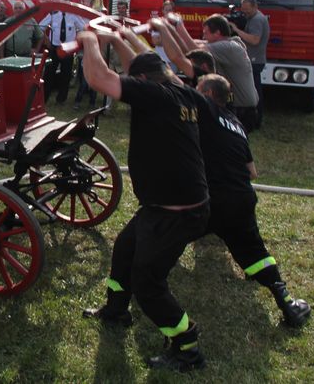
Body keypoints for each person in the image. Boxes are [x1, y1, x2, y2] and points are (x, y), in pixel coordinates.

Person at [80, 29, 210, 372]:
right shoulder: (179, 90)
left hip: (176, 213)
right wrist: (118, 35)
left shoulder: (155, 95)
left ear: (141, 81)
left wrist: (89, 40)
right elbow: (139, 64)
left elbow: (98, 77)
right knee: (124, 250)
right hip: (163, 206)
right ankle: (116, 310)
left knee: (148, 283)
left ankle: (187, 345)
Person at [195, 73, 311, 328]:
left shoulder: (207, 114)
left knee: (165, 237)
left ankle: (139, 287)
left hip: (212, 199)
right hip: (242, 199)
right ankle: (288, 304)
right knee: (256, 253)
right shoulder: (236, 123)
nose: (194, 91)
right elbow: (252, 172)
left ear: (209, 96)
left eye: (198, 89)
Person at [170, 13, 259, 132]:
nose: (203, 36)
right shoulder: (225, 45)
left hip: (242, 109)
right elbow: (192, 45)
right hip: (239, 106)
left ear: (217, 33)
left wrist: (179, 24)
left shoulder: (228, 46)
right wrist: (171, 31)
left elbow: (194, 48)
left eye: (206, 33)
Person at [233, 0, 270, 129]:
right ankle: (255, 119)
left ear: (255, 7)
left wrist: (237, 31)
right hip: (255, 59)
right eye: (243, 10)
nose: (245, 13)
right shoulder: (254, 18)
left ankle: (255, 120)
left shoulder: (257, 20)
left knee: (253, 91)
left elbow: (255, 40)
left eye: (247, 10)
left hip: (255, 60)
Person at [40, 1, 85, 103]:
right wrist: (46, 40)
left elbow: (84, 28)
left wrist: (77, 41)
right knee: (49, 74)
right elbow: (40, 27)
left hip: (68, 49)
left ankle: (61, 99)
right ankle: (44, 98)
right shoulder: (53, 14)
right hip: (54, 48)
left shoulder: (74, 15)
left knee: (66, 75)